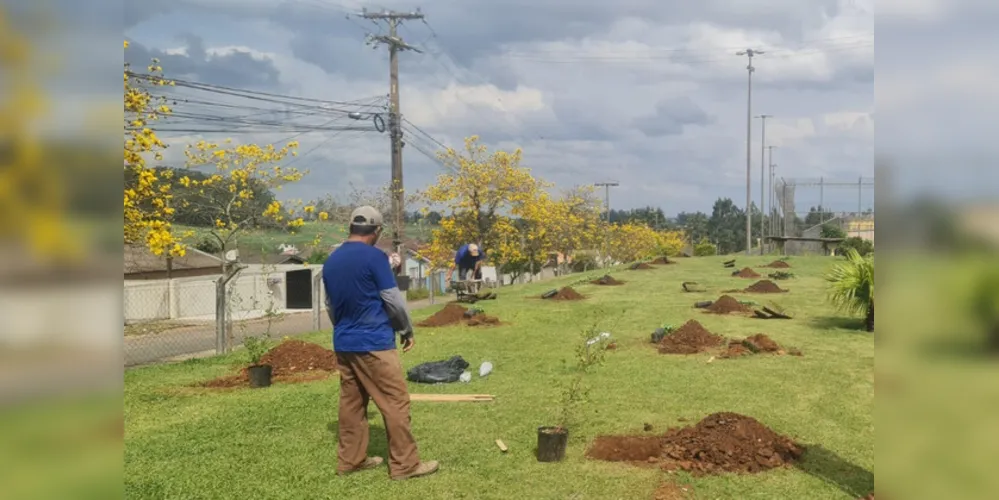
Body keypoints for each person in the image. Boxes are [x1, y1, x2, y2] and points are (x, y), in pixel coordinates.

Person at [322, 206, 439, 481]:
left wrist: (344, 329)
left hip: (344, 341)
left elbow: (329, 305)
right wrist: (406, 329)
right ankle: (405, 465)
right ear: (376, 231)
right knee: (395, 402)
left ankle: (350, 460)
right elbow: (392, 299)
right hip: (374, 341)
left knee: (351, 403)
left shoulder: (332, 260)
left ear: (351, 227)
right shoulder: (375, 257)